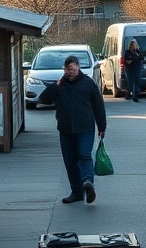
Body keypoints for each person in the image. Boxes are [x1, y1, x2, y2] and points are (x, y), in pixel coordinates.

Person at [38, 54, 107, 204]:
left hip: (85, 128)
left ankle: (88, 183)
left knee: (84, 155)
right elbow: (43, 98)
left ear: (78, 67)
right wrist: (56, 84)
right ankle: (76, 192)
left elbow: (98, 106)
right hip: (65, 129)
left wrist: (102, 126)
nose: (70, 72)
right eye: (67, 70)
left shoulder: (88, 83)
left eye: (73, 70)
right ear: (64, 69)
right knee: (70, 161)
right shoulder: (61, 85)